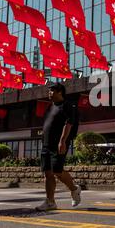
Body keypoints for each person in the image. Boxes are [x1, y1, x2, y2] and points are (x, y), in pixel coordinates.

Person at [36, 83, 81, 211]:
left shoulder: (67, 106)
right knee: (47, 173)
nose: (48, 93)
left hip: (58, 144)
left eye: (51, 91)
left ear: (60, 92)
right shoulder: (50, 107)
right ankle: (50, 202)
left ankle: (74, 189)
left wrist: (63, 141)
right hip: (46, 144)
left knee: (57, 171)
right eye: (48, 91)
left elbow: (69, 123)